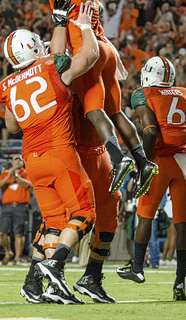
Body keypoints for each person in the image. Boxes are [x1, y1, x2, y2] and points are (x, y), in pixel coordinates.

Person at [16, 0, 158, 198]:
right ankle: (143, 161)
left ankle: (118, 159)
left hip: (86, 50)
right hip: (104, 46)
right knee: (115, 112)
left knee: (94, 111)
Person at [0, 2, 99, 305]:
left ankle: (33, 284)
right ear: (32, 48)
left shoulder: (6, 85)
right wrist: (83, 27)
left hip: (32, 159)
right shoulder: (51, 66)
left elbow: (12, 124)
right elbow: (90, 56)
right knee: (85, 214)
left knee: (54, 223)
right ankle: (55, 266)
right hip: (59, 152)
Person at [117, 56, 186, 302]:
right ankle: (180, 282)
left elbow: (150, 131)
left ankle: (138, 268)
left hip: (160, 161)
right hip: (183, 162)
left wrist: (144, 164)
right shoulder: (184, 93)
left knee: (145, 216)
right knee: (181, 223)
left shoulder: (143, 93)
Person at [70, 95, 120, 303]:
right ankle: (44, 277)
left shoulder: (105, 75)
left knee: (110, 212)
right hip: (75, 151)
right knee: (66, 216)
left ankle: (92, 276)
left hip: (102, 152)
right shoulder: (73, 73)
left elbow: (116, 116)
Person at [0, 155, 31, 266]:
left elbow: (27, 184)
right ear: (11, 162)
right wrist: (8, 177)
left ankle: (17, 258)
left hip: (20, 206)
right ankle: (8, 252)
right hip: (6, 206)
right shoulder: (5, 173)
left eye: (20, 160)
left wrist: (16, 176)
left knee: (18, 233)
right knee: (2, 232)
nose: (17, 162)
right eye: (15, 160)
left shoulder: (26, 172)